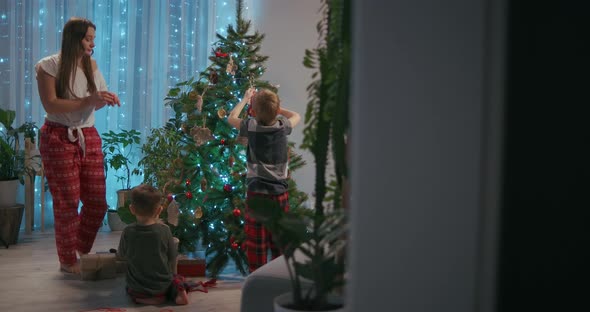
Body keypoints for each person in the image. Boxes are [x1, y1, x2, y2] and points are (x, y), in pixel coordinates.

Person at [35, 17, 120, 274]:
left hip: (88, 135)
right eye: (88, 38)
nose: (92, 43)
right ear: (74, 39)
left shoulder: (90, 64)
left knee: (97, 202)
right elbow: (51, 104)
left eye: (93, 38)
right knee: (67, 203)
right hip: (57, 137)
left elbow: (94, 101)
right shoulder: (47, 66)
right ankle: (67, 261)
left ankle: (81, 250)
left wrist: (105, 98)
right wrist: (89, 101)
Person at [228, 88, 301, 272]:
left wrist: (245, 99)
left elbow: (231, 117)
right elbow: (296, 115)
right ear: (276, 111)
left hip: (256, 195)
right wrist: (279, 110)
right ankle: (279, 277)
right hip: (279, 195)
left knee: (256, 243)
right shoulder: (282, 126)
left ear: (252, 111)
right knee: (279, 241)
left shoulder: (251, 126)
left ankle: (256, 276)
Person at [116, 184, 189, 305]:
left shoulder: (128, 231)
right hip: (162, 286)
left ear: (132, 209)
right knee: (177, 279)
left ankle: (147, 299)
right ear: (159, 210)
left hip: (138, 288)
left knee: (128, 289)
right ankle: (176, 293)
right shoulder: (164, 230)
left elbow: (121, 255)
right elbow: (172, 257)